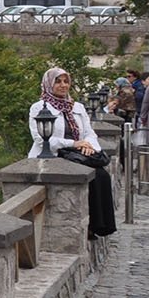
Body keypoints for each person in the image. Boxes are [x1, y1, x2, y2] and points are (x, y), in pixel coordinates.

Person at [28, 67, 116, 239]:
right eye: (58, 81)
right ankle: (89, 226)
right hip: (56, 154)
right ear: (48, 84)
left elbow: (89, 133)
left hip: (79, 154)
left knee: (101, 176)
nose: (63, 85)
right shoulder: (39, 107)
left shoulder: (77, 107)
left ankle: (99, 225)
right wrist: (74, 143)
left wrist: (89, 146)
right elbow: (41, 138)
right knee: (87, 177)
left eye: (66, 81)